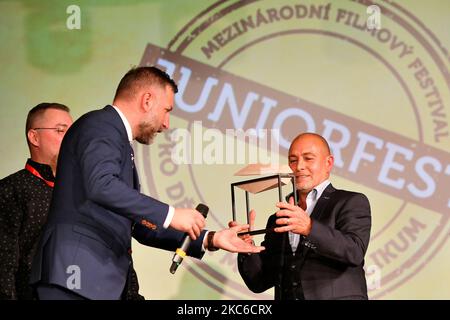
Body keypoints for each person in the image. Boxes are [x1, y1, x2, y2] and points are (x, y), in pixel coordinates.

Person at [30, 66, 263, 300]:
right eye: (166, 110)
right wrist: (172, 214)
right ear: (147, 100)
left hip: (94, 283)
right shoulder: (101, 124)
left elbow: (139, 224)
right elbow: (101, 185)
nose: (166, 123)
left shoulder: (116, 138)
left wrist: (210, 239)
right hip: (75, 279)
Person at [235, 133, 371, 300]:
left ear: (328, 163)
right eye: (293, 160)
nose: (299, 166)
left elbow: (354, 251)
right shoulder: (279, 218)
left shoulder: (350, 202)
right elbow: (259, 281)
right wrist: (246, 247)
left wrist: (310, 228)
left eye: (308, 158)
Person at [0, 103, 73, 300]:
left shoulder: (81, 191)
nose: (69, 139)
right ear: (34, 137)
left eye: (72, 132)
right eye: (60, 131)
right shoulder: (10, 190)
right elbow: (4, 263)